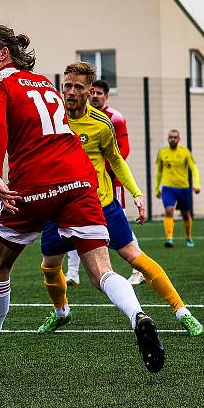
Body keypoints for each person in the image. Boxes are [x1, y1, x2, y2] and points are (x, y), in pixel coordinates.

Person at [0, 23, 165, 373]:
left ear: (3, 54)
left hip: (36, 185)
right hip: (78, 182)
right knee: (102, 270)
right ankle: (138, 316)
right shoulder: (44, 83)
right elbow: (48, 140)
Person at [35, 62, 203, 337]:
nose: (71, 91)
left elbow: (116, 161)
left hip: (100, 207)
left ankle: (182, 311)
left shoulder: (102, 125)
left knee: (134, 257)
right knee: (50, 267)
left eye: (79, 86)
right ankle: (61, 312)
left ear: (90, 92)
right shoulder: (53, 120)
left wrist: (136, 193)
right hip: (61, 208)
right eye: (68, 85)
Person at [63, 79, 143, 286]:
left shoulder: (114, 118)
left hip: (109, 184)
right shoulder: (67, 116)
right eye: (94, 93)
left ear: (106, 96)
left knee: (119, 226)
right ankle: (72, 273)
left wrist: (102, 170)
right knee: (72, 227)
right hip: (76, 189)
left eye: (100, 93)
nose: (96, 96)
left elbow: (121, 153)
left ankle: (137, 269)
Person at [156, 129, 200, 248]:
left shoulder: (185, 152)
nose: (173, 139)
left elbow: (194, 169)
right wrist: (156, 188)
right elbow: (159, 172)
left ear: (179, 139)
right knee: (169, 210)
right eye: (170, 137)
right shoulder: (162, 153)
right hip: (168, 188)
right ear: (168, 138)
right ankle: (169, 239)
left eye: (175, 137)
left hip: (183, 188)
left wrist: (197, 184)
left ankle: (188, 237)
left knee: (186, 214)